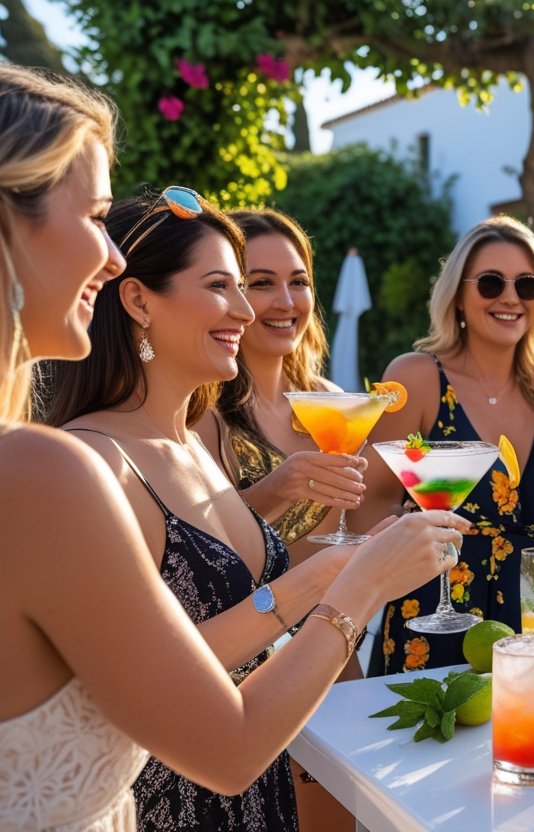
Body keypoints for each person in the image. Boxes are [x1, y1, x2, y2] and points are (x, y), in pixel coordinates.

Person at [0, 64, 466, 832]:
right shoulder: (52, 466)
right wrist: (358, 590)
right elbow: (226, 744)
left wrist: (329, 569)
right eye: (94, 216)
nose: (112, 256)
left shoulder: (96, 455)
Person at [350, 215, 534, 674]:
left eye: (526, 285)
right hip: (435, 613)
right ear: (459, 295)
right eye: (490, 283)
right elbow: (367, 509)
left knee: (531, 739)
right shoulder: (418, 378)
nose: (510, 297)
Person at [193, 208, 364, 830]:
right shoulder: (203, 412)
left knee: (338, 816)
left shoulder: (328, 400)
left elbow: (350, 525)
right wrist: (273, 488)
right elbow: (192, 540)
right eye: (260, 281)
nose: (284, 300)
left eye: (299, 280)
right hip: (254, 663)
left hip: (336, 641)